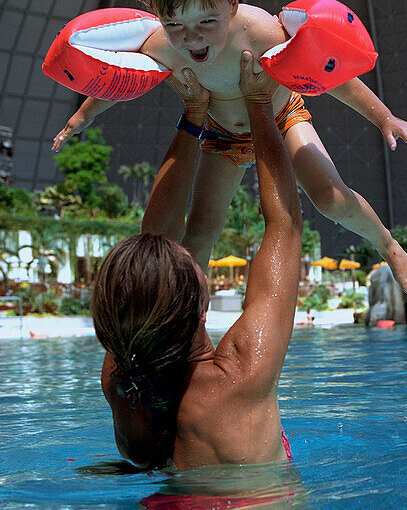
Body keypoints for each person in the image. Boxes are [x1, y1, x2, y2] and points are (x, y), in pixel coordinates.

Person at [53, 0, 407, 294]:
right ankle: (192, 320)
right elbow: (118, 76)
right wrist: (82, 116)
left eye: (206, 21)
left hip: (282, 119)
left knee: (329, 197)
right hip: (223, 137)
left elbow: (328, 71)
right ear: (157, 13)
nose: (191, 38)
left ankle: (387, 244)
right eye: (174, 23)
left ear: (232, 2)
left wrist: (384, 117)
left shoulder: (261, 32)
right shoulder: (162, 46)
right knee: (199, 233)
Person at [90, 51, 302, 469]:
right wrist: (261, 107)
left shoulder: (121, 382)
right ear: (201, 309)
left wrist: (195, 115)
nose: (190, 253)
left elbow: (152, 246)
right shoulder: (241, 376)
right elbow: (285, 225)